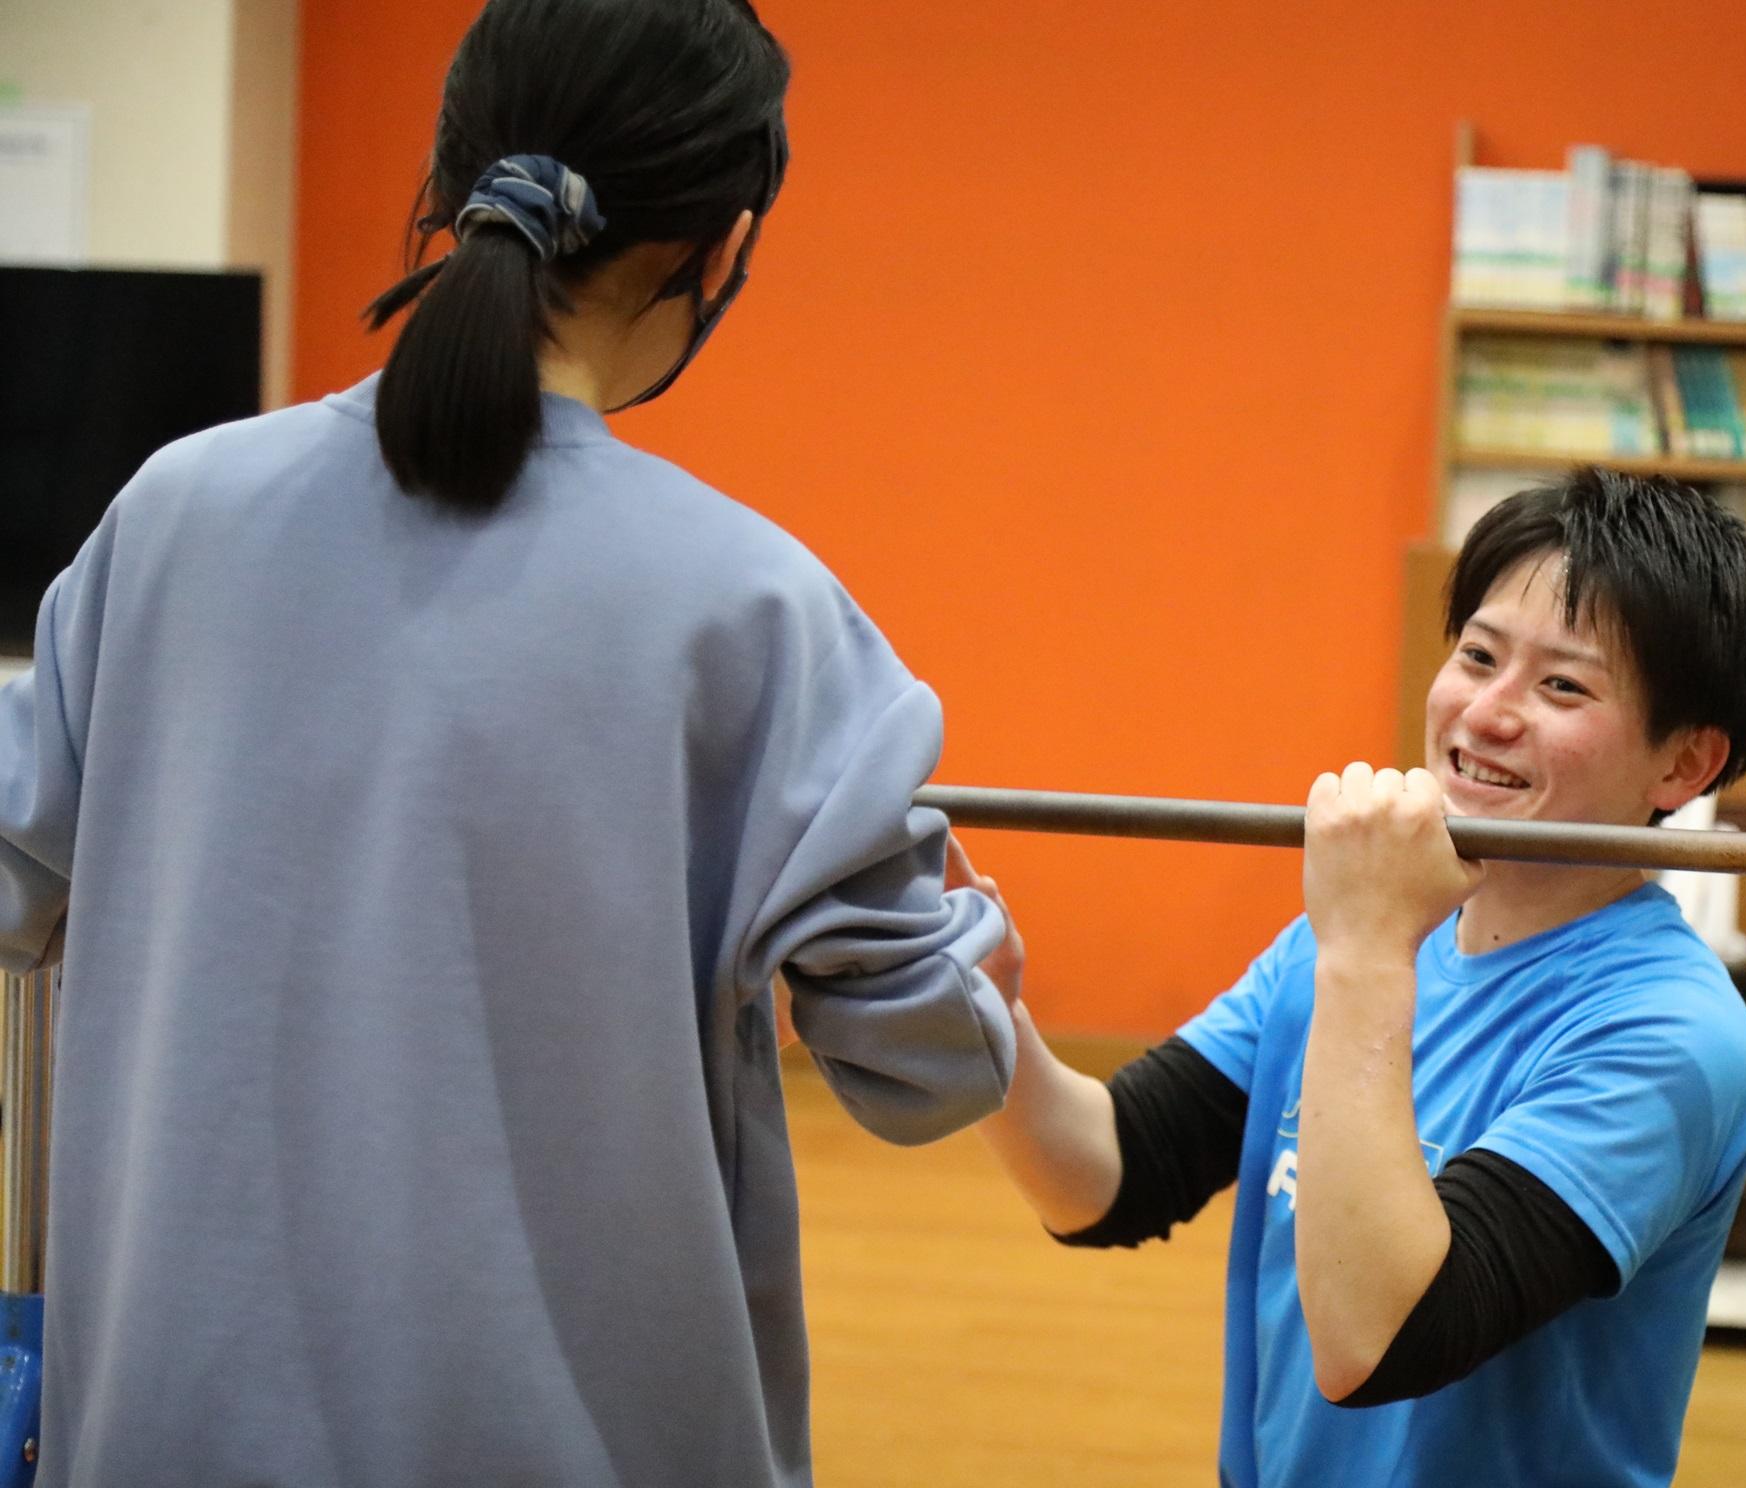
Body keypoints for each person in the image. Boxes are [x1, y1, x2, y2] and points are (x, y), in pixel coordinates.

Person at [0, 2, 1016, 1483]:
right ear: (711, 252)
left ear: (448, 186)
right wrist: (978, 953)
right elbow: (925, 1065)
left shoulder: (171, 518)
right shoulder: (758, 610)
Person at [958, 466, 1746, 1487]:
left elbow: (1383, 1340)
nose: (1486, 711)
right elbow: (1112, 1175)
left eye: (1562, 685)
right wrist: (980, 1014)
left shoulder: (1669, 1033)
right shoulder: (1345, 945)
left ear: (1684, 766)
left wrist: (1365, 947)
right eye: (1477, 657)